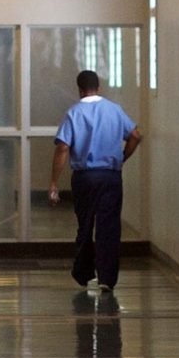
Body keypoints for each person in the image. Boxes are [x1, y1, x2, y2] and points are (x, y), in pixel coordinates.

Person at [47, 69, 141, 295]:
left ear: (79, 89)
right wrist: (121, 158)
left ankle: (83, 272)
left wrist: (53, 182)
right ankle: (107, 278)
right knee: (109, 227)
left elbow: (63, 147)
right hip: (110, 175)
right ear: (98, 87)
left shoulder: (74, 113)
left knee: (85, 224)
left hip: (85, 177)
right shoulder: (114, 110)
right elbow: (135, 135)